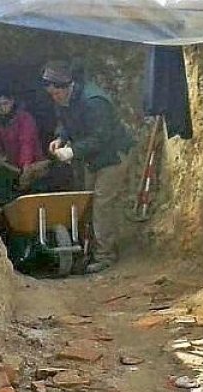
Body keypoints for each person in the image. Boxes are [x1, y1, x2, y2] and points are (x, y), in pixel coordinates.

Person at [40, 59, 133, 269]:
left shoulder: (94, 102)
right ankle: (89, 249)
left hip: (112, 156)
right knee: (86, 201)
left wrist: (72, 151)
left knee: (102, 203)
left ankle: (105, 256)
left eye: (57, 94)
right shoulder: (64, 100)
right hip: (92, 158)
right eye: (51, 94)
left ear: (68, 87)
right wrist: (60, 138)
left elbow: (102, 137)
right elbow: (65, 122)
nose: (54, 98)